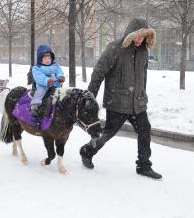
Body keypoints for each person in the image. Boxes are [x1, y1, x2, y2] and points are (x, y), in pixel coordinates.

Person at [79, 18, 162, 180]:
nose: (139, 40)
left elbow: (143, 76)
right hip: (117, 103)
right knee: (107, 133)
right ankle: (87, 151)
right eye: (137, 36)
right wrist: (90, 96)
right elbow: (99, 72)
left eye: (143, 36)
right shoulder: (115, 48)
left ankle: (144, 165)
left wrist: (142, 95)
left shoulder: (144, 51)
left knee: (145, 129)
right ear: (130, 34)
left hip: (137, 104)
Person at [31, 45, 65, 131]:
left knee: (62, 95)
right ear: (40, 59)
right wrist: (47, 80)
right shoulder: (37, 68)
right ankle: (36, 105)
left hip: (55, 84)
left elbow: (59, 71)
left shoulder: (55, 66)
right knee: (41, 92)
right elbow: (39, 77)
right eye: (45, 58)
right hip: (43, 85)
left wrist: (60, 77)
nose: (47, 60)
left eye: (49, 58)